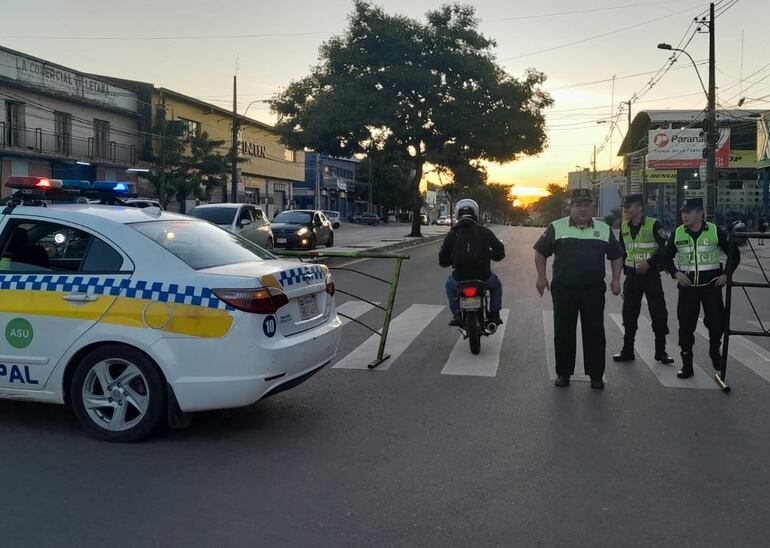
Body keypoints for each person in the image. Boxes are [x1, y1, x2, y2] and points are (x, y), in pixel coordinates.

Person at [534, 188, 624, 389]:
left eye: (587, 205)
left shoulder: (603, 229)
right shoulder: (556, 227)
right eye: (578, 205)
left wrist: (616, 279)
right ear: (571, 207)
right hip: (564, 289)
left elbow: (616, 255)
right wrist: (541, 277)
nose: (583, 209)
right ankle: (563, 374)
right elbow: (540, 252)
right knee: (563, 331)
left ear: (592, 207)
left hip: (592, 290)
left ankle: (596, 376)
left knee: (595, 332)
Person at [661, 198, 740, 379]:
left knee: (717, 322)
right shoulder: (678, 233)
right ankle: (687, 365)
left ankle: (714, 349)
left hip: (711, 287)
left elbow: (734, 255)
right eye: (683, 212)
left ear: (700, 213)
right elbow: (665, 258)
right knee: (686, 327)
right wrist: (676, 274)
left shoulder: (714, 231)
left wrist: (726, 274)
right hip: (688, 289)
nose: (684, 215)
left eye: (688, 212)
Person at [612, 194, 674, 365]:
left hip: (651, 276)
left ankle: (661, 352)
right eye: (624, 207)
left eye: (628, 207)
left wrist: (650, 262)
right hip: (632, 276)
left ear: (639, 208)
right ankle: (627, 350)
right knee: (629, 313)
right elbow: (622, 251)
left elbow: (665, 248)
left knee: (658, 312)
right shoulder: (624, 227)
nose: (625, 210)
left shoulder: (654, 225)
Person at [439, 198, 505, 327]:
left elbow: (443, 257)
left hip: (459, 278)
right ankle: (494, 314)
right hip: (484, 277)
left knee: (449, 286)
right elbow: (500, 251)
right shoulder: (485, 231)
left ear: (457, 213)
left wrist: (446, 262)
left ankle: (457, 314)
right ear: (476, 213)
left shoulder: (453, 233)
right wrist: (491, 254)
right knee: (496, 286)